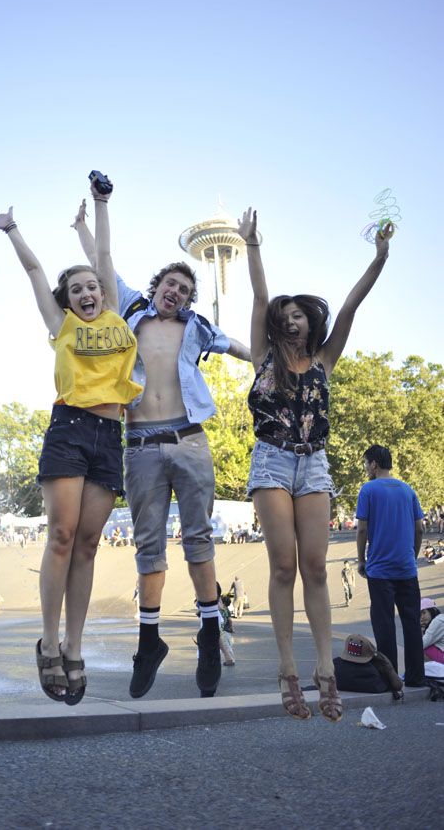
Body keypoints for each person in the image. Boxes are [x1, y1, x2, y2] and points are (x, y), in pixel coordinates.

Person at [73, 216, 250, 698]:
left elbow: (236, 346)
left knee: (198, 541)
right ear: (157, 287)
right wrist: (83, 225)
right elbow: (102, 264)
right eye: (171, 284)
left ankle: (209, 636)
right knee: (148, 547)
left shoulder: (197, 327)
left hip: (189, 441)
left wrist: (270, 358)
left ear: (189, 301)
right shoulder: (131, 308)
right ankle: (149, 643)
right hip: (140, 445)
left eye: (185, 291)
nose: (176, 293)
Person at [0, 181, 142, 705]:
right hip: (70, 430)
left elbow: (104, 254)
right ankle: (49, 642)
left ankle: (75, 647)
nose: (87, 293)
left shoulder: (117, 315)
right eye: (77, 289)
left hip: (110, 435)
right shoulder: (62, 325)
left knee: (89, 544)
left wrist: (100, 204)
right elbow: (36, 271)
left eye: (92, 286)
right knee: (62, 536)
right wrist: (12, 230)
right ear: (68, 299)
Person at [241, 205, 393, 722]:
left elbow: (351, 305)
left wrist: (379, 258)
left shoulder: (325, 361)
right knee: (284, 565)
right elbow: (259, 296)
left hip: (314, 465)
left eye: (298, 315)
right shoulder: (263, 355)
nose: (290, 320)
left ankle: (326, 669)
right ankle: (287, 668)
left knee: (315, 568)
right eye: (284, 316)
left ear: (309, 321)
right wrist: (252, 245)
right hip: (271, 461)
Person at [356, 444, 425, 687]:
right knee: (412, 623)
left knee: (384, 624)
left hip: (380, 570)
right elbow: (420, 529)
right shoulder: (408, 490)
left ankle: (390, 678)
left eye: (366, 463)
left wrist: (361, 560)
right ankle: (417, 677)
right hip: (407, 569)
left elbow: (362, 529)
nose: (366, 468)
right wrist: (412, 556)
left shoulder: (368, 490)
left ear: (374, 464)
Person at [420, 598, 444, 664]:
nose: (422, 617)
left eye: (424, 613)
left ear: (433, 610)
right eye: (420, 615)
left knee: (418, 646)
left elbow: (421, 644)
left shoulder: (438, 621)